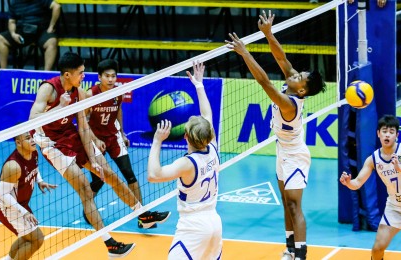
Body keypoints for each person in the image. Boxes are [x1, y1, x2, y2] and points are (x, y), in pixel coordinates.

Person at [29, 52, 169, 258]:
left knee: (109, 173)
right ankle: (110, 245)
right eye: (81, 72)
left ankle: (143, 215)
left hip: (71, 135)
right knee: (86, 191)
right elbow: (33, 119)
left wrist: (93, 161)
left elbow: (84, 128)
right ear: (67, 75)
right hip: (52, 144)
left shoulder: (79, 92)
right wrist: (60, 107)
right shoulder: (48, 89)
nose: (84, 76)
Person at [226, 10, 326, 260]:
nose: (294, 74)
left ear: (302, 89)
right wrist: (269, 34)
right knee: (285, 202)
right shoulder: (292, 84)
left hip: (295, 155)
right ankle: (290, 248)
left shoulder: (290, 103)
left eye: (299, 76)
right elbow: (281, 59)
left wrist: (245, 52)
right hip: (282, 151)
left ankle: (301, 254)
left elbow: (265, 83)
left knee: (294, 205)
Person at [147, 62, 223, 259]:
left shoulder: (187, 164)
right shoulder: (213, 147)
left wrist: (157, 141)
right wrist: (199, 85)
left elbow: (154, 175)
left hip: (193, 227)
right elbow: (208, 115)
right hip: (214, 222)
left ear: (185, 137)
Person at [84, 59, 170, 228]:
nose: (110, 79)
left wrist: (122, 133)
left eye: (113, 76)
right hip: (96, 140)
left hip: (113, 137)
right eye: (107, 76)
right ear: (99, 77)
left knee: (129, 174)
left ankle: (142, 216)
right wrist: (95, 140)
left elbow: (119, 111)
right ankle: (88, 210)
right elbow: (83, 121)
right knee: (99, 180)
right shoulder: (90, 94)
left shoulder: (118, 92)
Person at [340, 115, 401, 260]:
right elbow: (358, 183)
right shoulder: (373, 159)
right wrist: (348, 182)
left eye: (391, 131)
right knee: (377, 249)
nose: (387, 134)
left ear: (397, 135)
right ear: (378, 133)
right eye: (384, 131)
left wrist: (399, 168)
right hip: (394, 208)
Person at [0, 131, 57, 260]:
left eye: (32, 136)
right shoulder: (13, 166)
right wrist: (24, 212)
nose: (33, 140)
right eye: (28, 138)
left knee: (26, 236)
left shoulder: (33, 152)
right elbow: (3, 195)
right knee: (36, 239)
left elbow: (35, 167)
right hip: (6, 206)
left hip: (21, 203)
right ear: (18, 142)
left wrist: (40, 181)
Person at [0, 0, 60, 70]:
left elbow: (57, 7)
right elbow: (12, 21)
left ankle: (46, 74)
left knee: (52, 41)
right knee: (0, 38)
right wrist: (13, 34)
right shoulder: (15, 2)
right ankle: (3, 71)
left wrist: (51, 26)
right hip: (23, 31)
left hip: (41, 31)